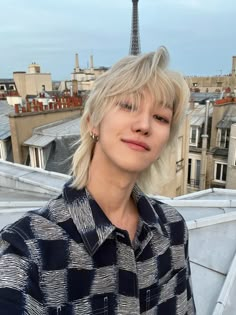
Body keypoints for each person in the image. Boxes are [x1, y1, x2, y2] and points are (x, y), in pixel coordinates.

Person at [0, 47, 196, 314]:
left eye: (160, 117)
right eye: (128, 105)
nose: (144, 125)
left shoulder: (173, 229)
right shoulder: (27, 250)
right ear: (93, 121)